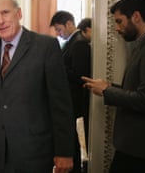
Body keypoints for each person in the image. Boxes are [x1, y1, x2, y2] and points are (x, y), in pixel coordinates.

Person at [0, 0, 76, 173]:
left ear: (19, 13)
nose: (0, 21)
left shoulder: (46, 47)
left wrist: (64, 151)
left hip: (35, 151)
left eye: (5, 13)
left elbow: (60, 104)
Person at [82, 0, 145, 173]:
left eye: (119, 21)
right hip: (133, 145)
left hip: (139, 145)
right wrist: (108, 86)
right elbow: (138, 91)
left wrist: (108, 91)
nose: (117, 28)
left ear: (136, 17)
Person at [50, 11, 92, 173]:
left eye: (59, 29)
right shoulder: (72, 42)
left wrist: (57, 68)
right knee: (70, 136)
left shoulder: (79, 43)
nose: (58, 34)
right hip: (69, 97)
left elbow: (80, 74)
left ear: (69, 24)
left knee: (70, 137)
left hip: (74, 98)